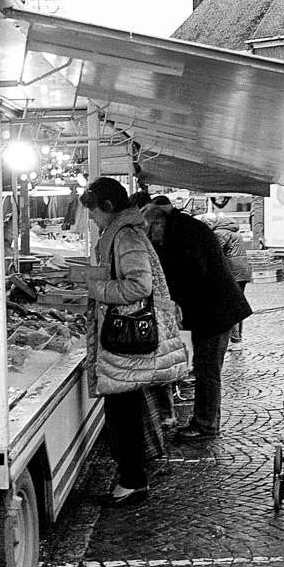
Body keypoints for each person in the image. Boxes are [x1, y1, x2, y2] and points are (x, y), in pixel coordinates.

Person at [80, 178, 188, 506]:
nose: (92, 219)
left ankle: (132, 481)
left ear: (109, 207)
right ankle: (132, 478)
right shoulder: (126, 232)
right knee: (125, 409)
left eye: (94, 212)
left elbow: (139, 286)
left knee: (122, 411)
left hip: (125, 338)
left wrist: (95, 290)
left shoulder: (125, 236)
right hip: (126, 341)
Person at [141, 202, 253, 441]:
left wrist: (170, 297)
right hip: (213, 311)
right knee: (206, 370)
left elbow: (192, 274)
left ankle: (206, 425)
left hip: (215, 313)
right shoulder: (183, 228)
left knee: (207, 371)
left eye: (150, 232)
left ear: (159, 223)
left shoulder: (185, 233)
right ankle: (206, 421)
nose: (152, 239)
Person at [199, 212, 253, 350]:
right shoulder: (232, 229)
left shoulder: (219, 233)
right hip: (242, 272)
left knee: (230, 305)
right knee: (237, 303)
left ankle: (235, 340)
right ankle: (238, 337)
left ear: (210, 223)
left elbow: (214, 253)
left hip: (232, 272)